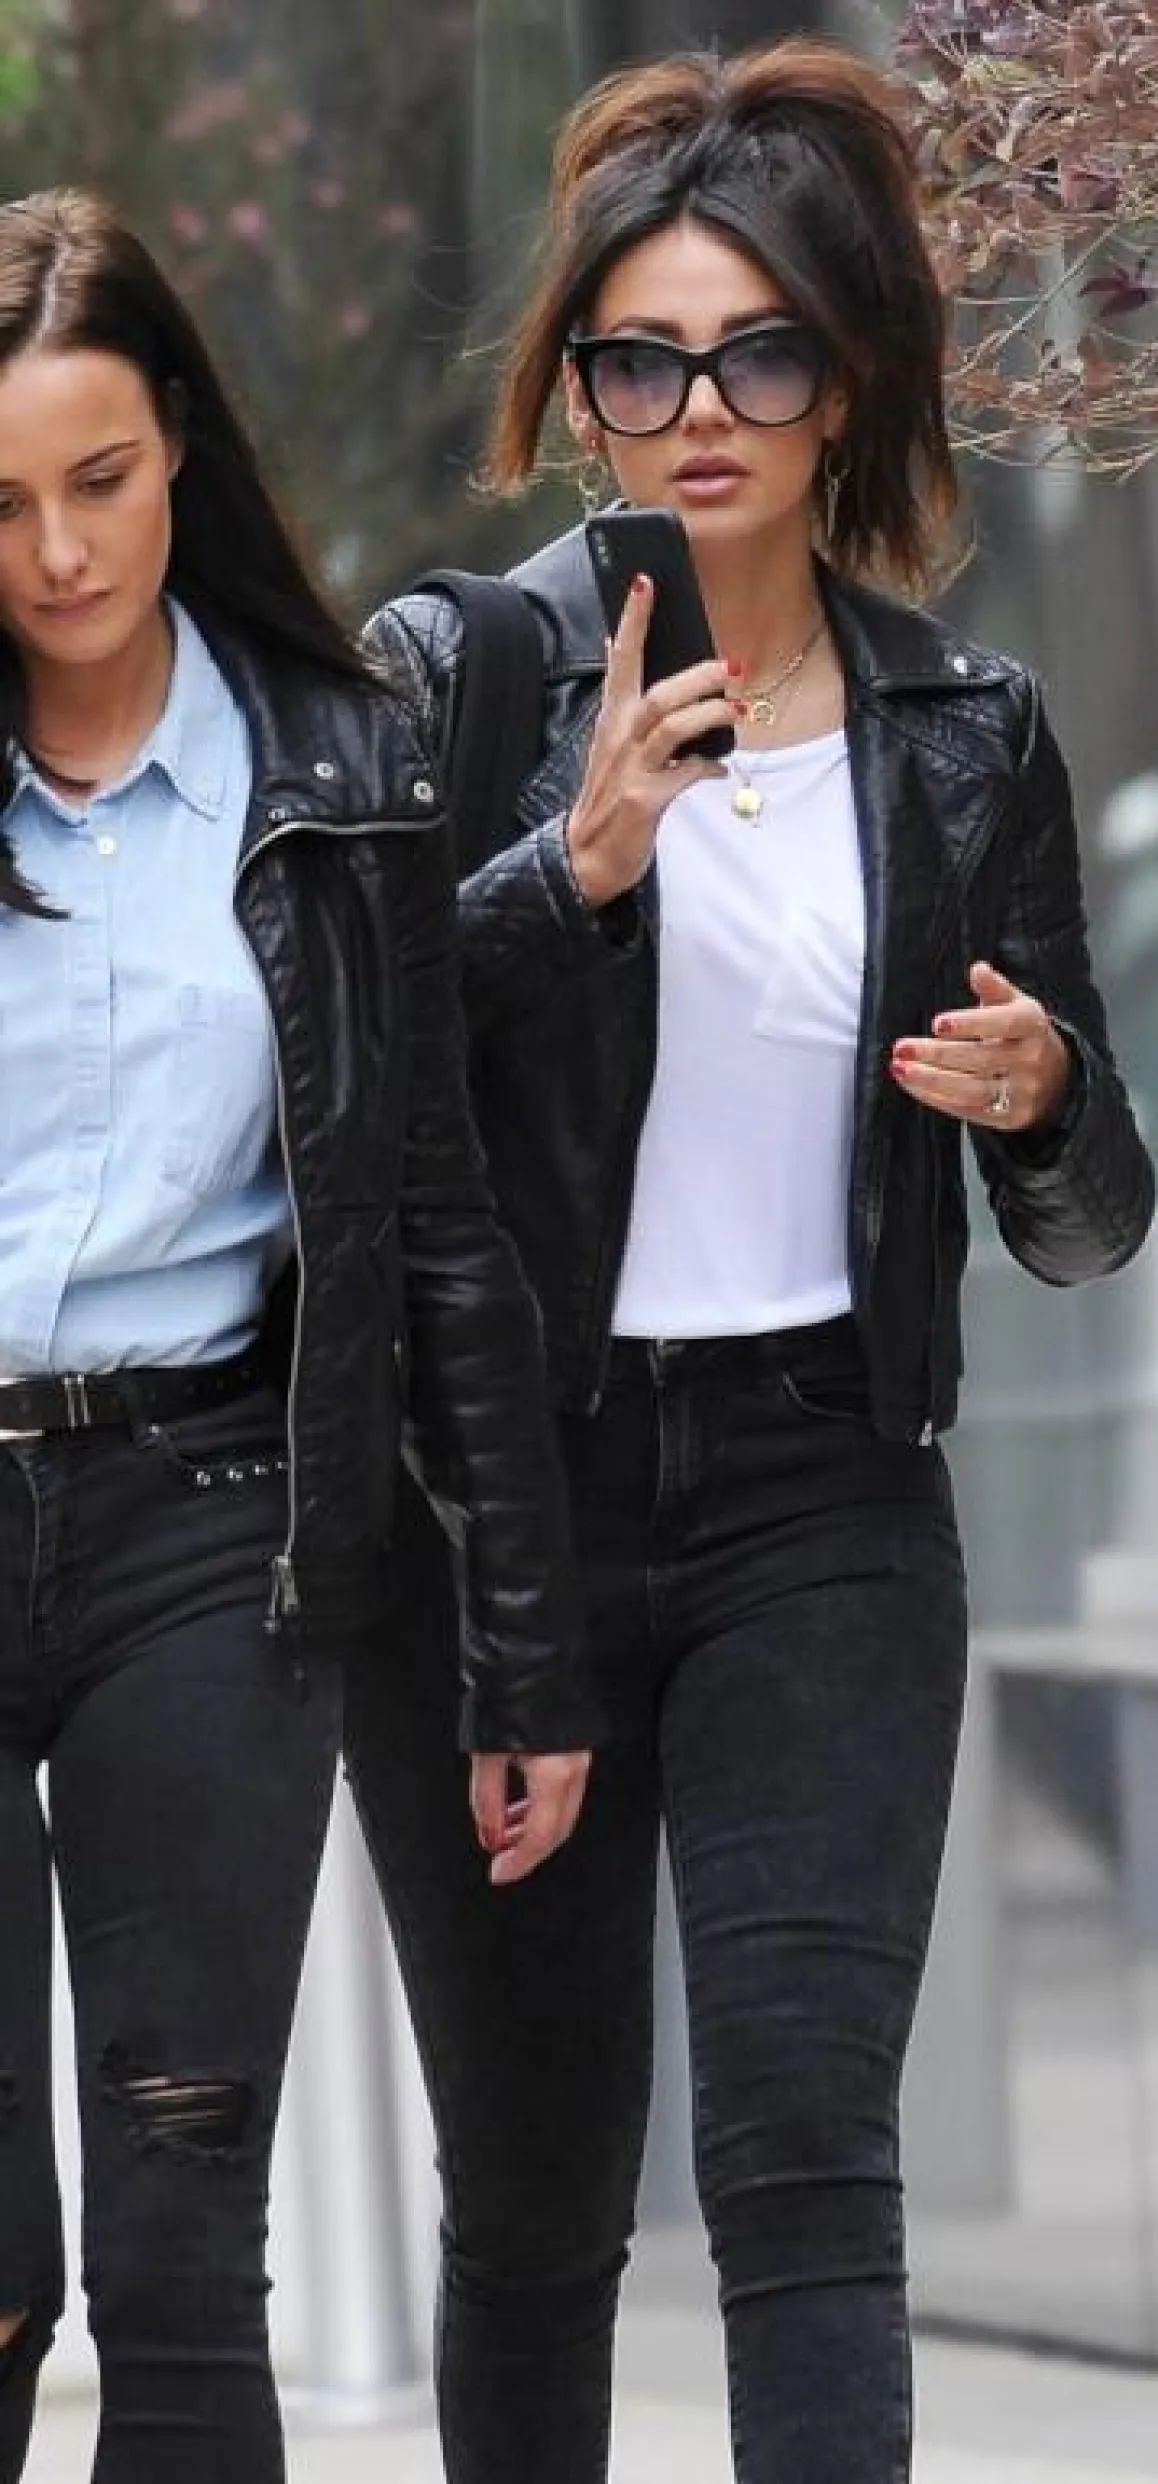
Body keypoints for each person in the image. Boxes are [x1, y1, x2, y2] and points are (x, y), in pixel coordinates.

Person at [352, 36, 1155, 2484]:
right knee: (537, 2201)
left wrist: (1047, 1096)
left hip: (826, 1492)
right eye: (644, 361)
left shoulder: (965, 731)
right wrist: (565, 870)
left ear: (849, 381)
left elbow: (1088, 1222)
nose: (701, 412)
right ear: (580, 387)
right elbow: (343, 1097)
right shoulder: (461, 681)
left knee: (810, 2165)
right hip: (507, 1510)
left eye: (760, 356)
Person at [0, 188, 596, 2484]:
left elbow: (433, 1221)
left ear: (181, 444)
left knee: (178, 2249)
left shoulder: (337, 767)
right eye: (2, 505)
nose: (58, 553)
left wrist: (520, 1654)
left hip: (203, 1530)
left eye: (99, 478)